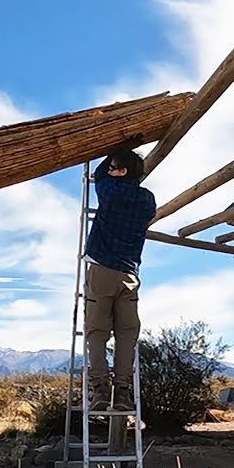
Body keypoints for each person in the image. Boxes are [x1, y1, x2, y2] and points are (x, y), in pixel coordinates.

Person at [83, 147, 155, 412]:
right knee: (126, 335)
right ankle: (123, 392)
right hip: (129, 275)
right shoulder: (147, 199)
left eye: (115, 167)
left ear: (122, 171)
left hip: (102, 270)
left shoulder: (109, 191)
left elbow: (99, 174)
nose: (110, 170)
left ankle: (100, 390)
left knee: (97, 332)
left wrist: (116, 148)